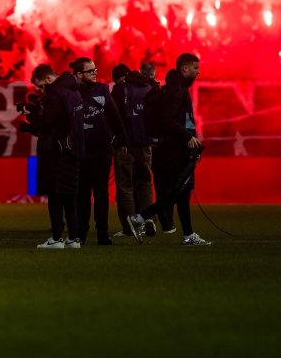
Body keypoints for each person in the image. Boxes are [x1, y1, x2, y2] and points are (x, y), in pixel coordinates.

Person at [128, 56, 212, 247]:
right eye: (195, 67)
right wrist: (188, 137)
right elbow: (168, 120)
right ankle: (140, 218)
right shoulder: (177, 91)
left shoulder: (174, 89)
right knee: (179, 192)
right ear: (184, 69)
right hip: (175, 150)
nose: (198, 71)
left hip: (173, 148)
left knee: (181, 193)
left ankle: (187, 235)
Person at [24, 66, 84, 249]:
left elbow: (49, 121)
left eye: (41, 86)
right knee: (69, 196)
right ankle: (73, 238)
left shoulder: (56, 93)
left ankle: (57, 238)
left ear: (49, 79)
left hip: (55, 151)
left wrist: (31, 120)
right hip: (72, 149)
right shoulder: (75, 92)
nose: (41, 91)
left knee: (55, 195)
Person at [72, 57, 127, 245]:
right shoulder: (72, 93)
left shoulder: (103, 89)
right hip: (81, 151)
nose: (95, 72)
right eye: (90, 71)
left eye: (95, 69)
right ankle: (81, 233)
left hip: (103, 150)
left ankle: (102, 233)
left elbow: (114, 115)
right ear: (79, 74)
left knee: (101, 192)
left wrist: (121, 140)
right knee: (82, 194)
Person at [112, 65, 158, 238]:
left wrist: (117, 140)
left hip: (126, 145)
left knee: (125, 186)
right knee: (145, 183)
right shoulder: (149, 87)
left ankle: (131, 225)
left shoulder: (120, 89)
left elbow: (113, 116)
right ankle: (148, 218)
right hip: (146, 145)